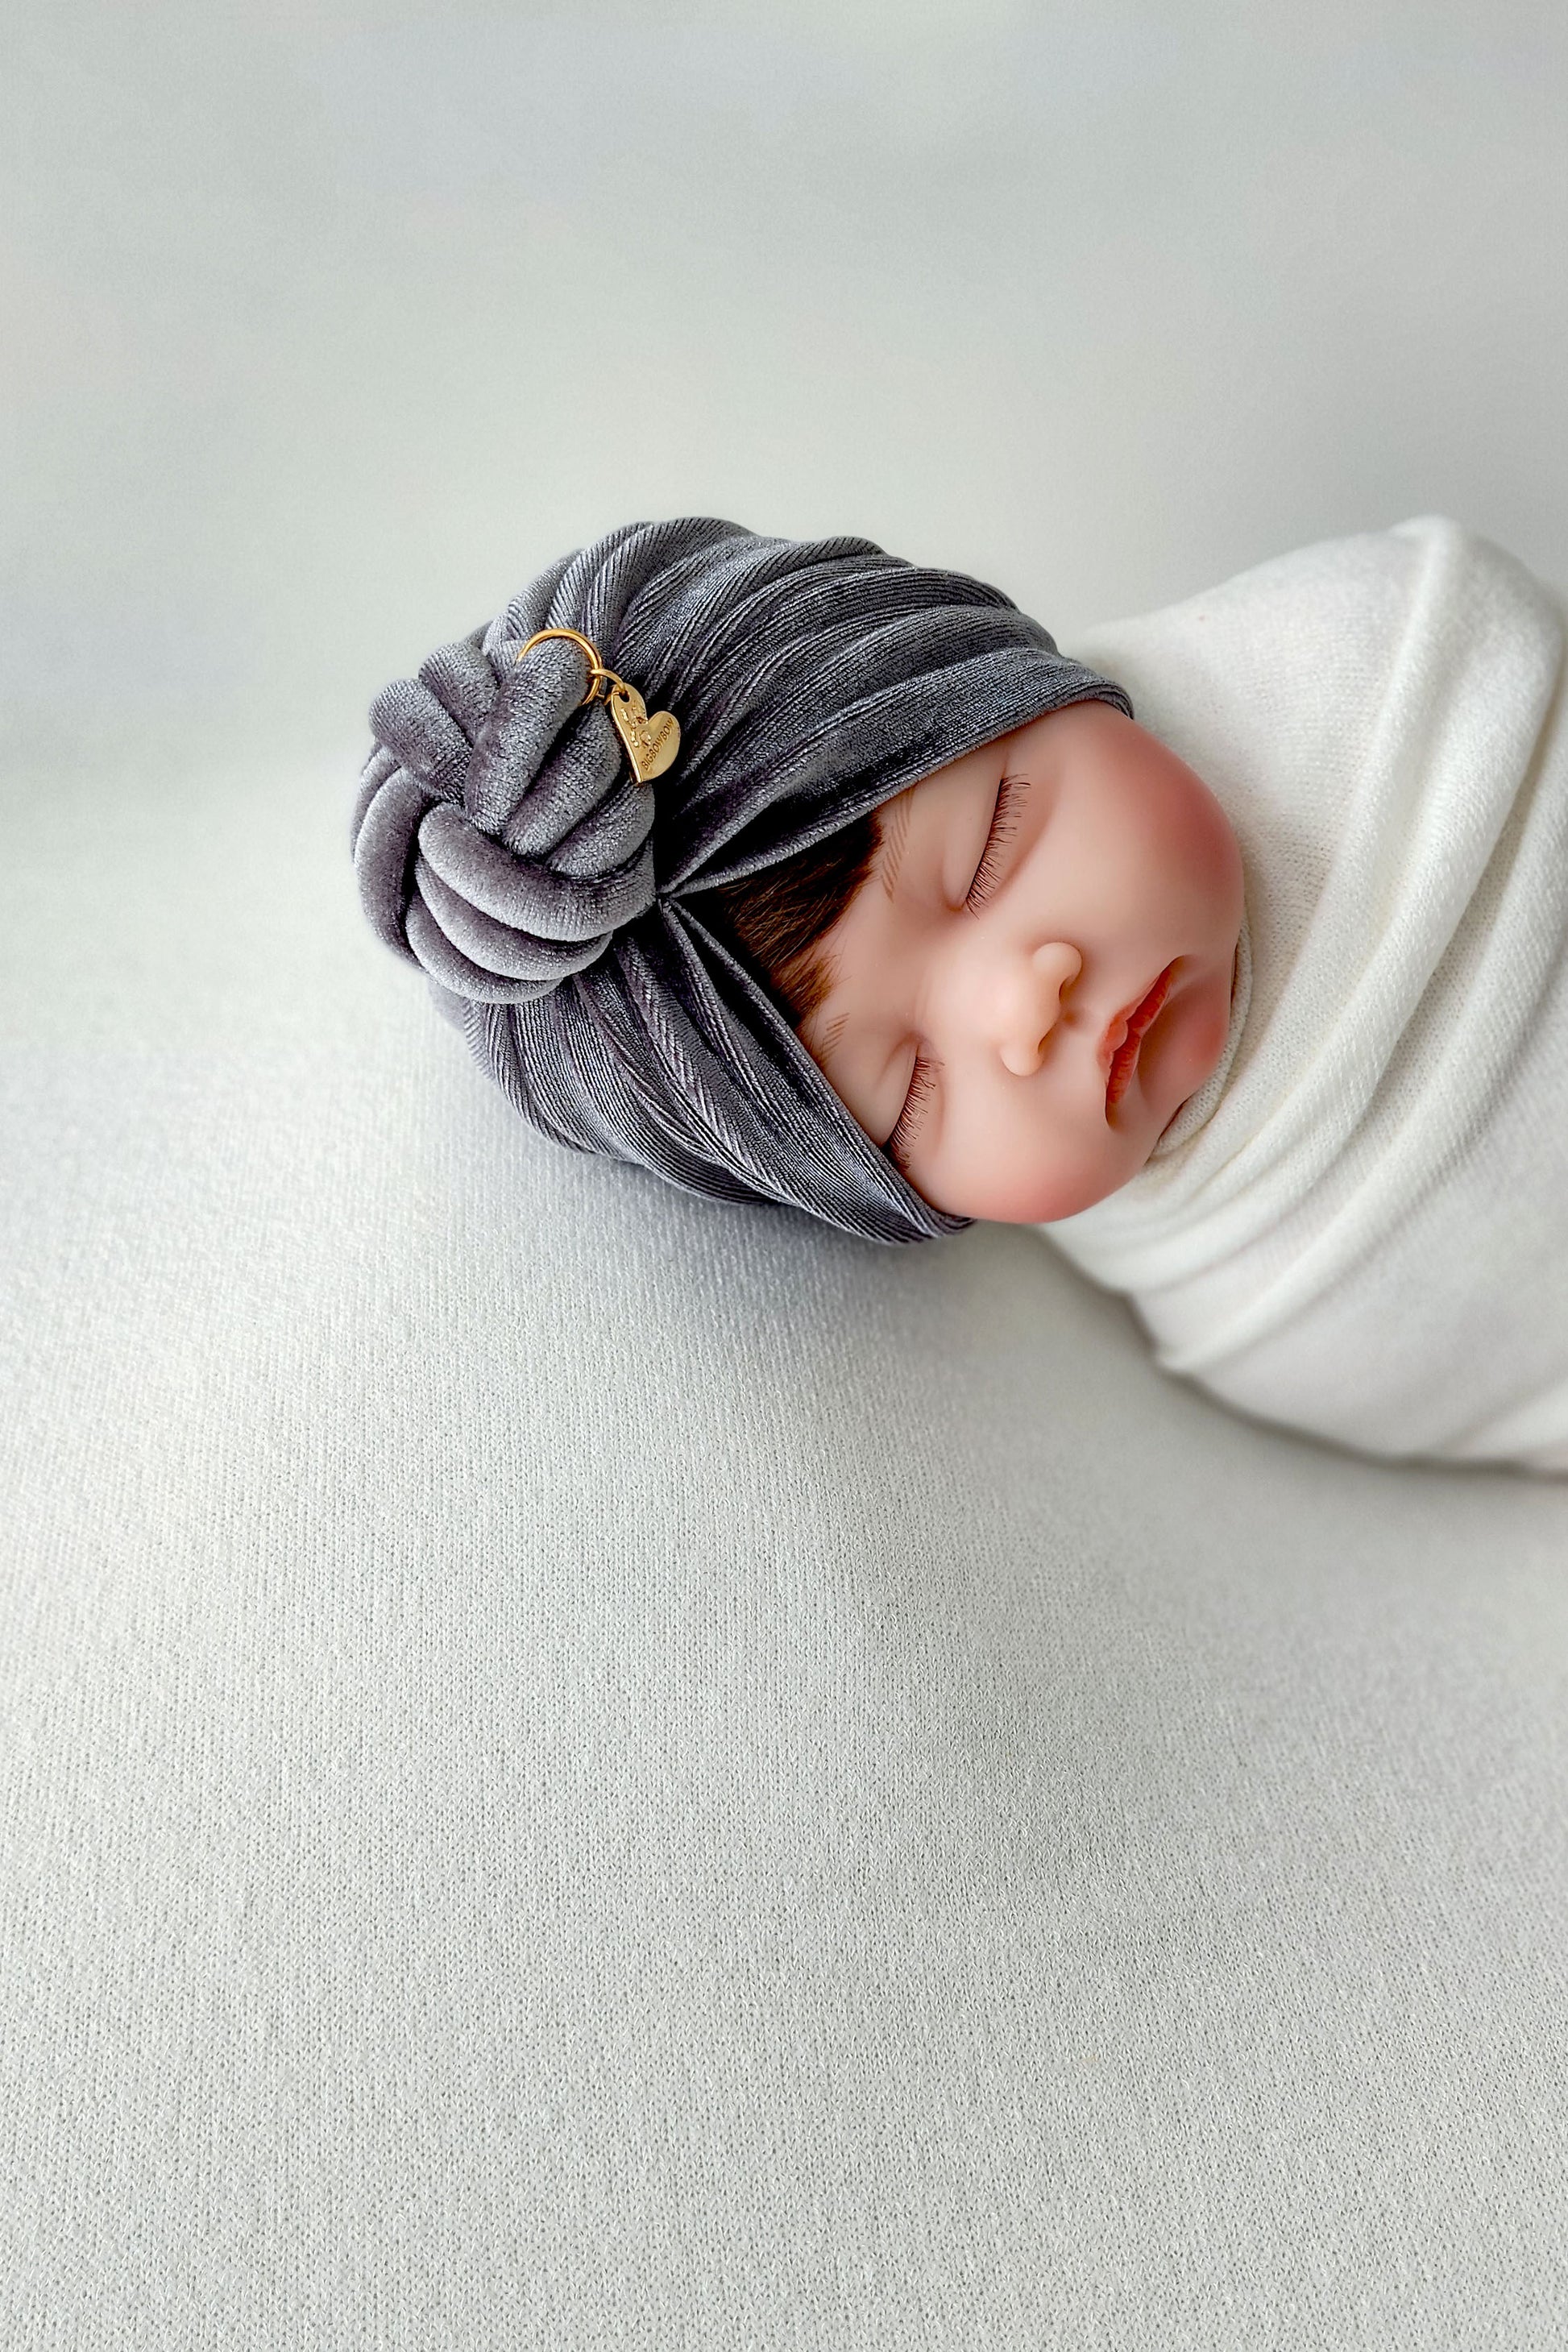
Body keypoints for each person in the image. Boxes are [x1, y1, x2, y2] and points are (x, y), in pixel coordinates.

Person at [353, 514, 1568, 1475]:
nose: (1022, 1012)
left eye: (987, 849)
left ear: (1025, 683)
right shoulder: (1251, 1301)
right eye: (913, 1088)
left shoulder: (1395, 672)